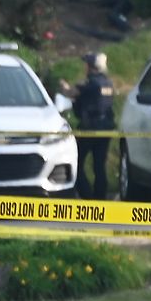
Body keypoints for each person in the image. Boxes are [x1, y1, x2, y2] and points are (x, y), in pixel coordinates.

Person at [61, 52, 116, 200]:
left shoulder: (89, 84)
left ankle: (86, 196)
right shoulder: (108, 84)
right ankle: (100, 198)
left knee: (76, 162)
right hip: (106, 129)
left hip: (89, 129)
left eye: (86, 64)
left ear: (90, 67)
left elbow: (69, 93)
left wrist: (63, 86)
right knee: (99, 166)